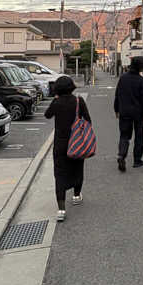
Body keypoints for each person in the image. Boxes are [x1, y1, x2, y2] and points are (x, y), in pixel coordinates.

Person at [44, 75, 92, 221]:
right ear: (71, 87)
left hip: (60, 143)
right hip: (77, 142)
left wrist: (55, 99)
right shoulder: (78, 101)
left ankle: (61, 210)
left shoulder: (56, 102)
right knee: (77, 168)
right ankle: (76, 196)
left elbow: (47, 115)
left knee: (60, 173)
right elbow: (88, 120)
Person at [114, 56, 143, 171]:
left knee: (124, 135)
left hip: (124, 111)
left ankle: (121, 155)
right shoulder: (141, 80)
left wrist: (116, 109)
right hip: (138, 113)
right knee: (139, 136)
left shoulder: (123, 78)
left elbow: (117, 94)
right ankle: (137, 160)